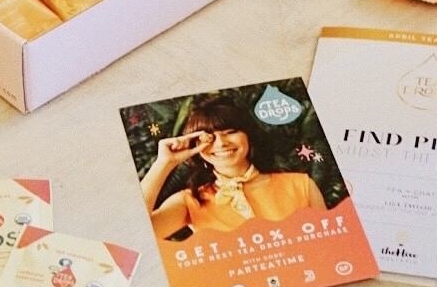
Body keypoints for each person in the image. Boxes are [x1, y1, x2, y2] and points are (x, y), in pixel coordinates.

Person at [140, 96, 326, 239]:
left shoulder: (300, 185)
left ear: (248, 136)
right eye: (209, 137)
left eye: (231, 132)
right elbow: (139, 233)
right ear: (195, 144)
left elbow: (329, 243)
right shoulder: (189, 201)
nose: (221, 143)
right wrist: (164, 163)